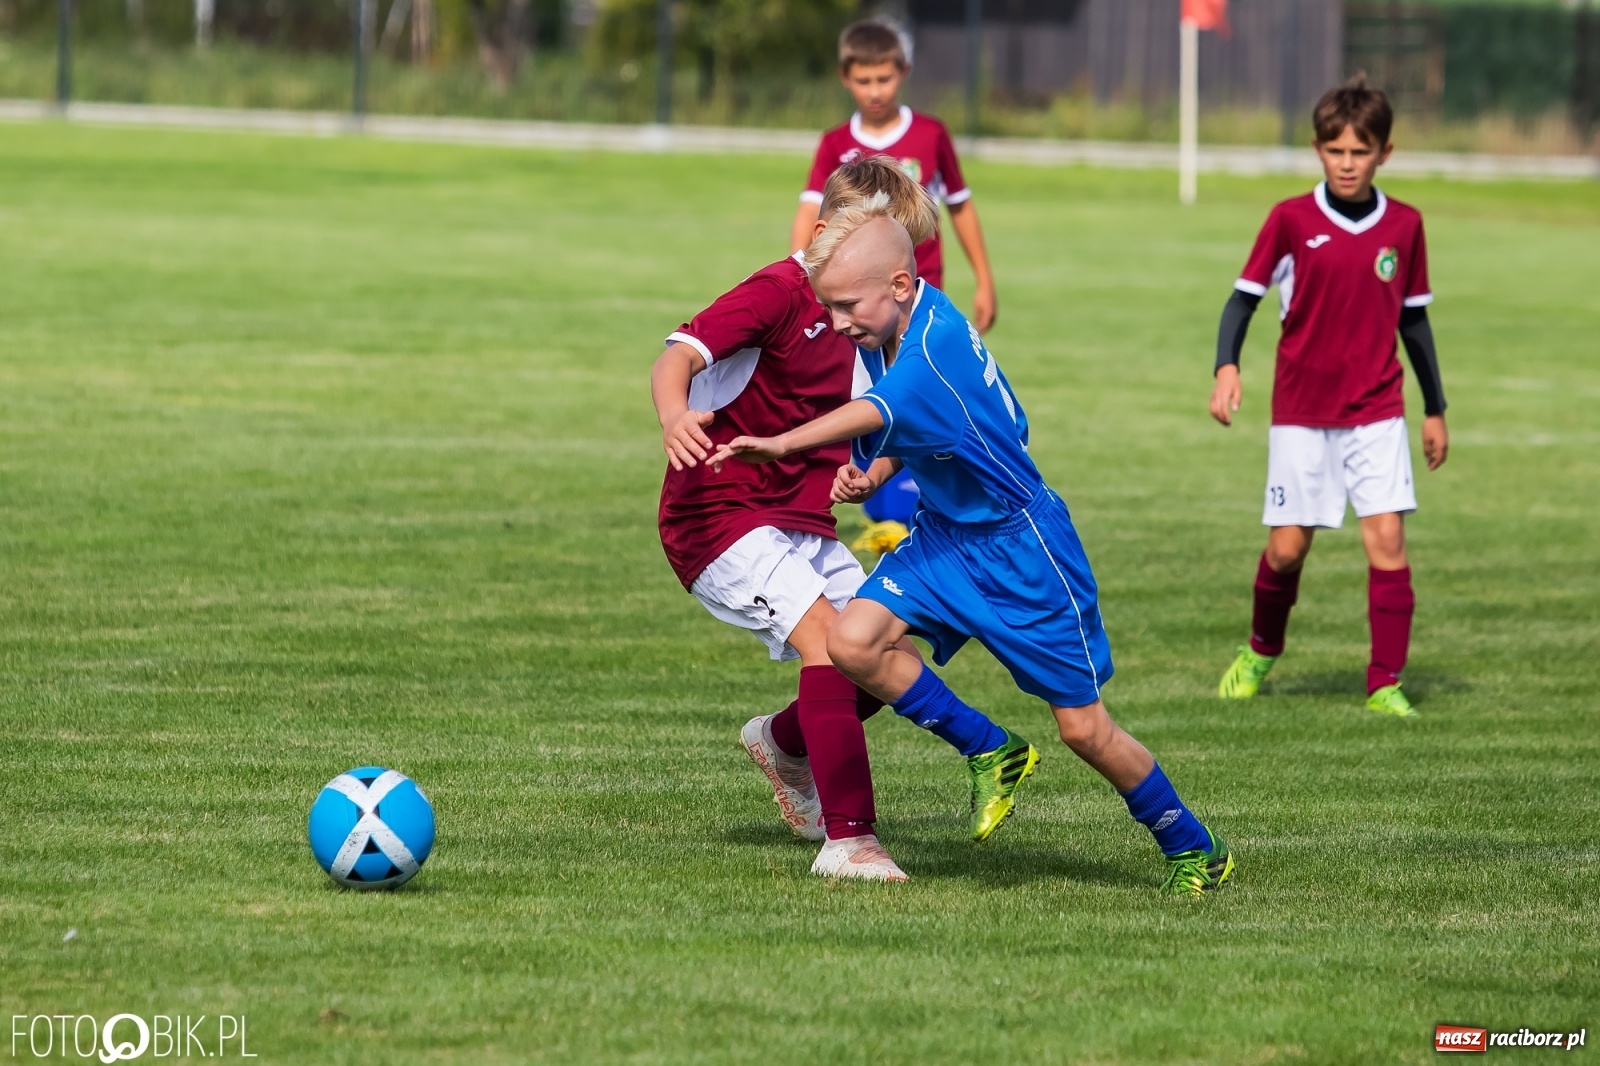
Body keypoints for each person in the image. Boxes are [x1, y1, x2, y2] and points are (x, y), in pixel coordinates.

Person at [711, 198, 1234, 896]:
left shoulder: (928, 348)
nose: (837, 324)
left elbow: (878, 410)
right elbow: (946, 427)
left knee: (1084, 731)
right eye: (829, 307)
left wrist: (781, 442)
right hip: (950, 537)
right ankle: (991, 748)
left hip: (1025, 554)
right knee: (854, 641)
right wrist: (876, 471)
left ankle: (1192, 845)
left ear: (898, 286)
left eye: (846, 307)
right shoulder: (912, 321)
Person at [652, 160, 1038, 883]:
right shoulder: (778, 290)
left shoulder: (884, 312)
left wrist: (875, 471)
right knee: (830, 649)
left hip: (804, 517)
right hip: (719, 513)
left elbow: (897, 419)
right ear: (827, 234)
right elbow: (677, 356)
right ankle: (850, 841)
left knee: (873, 651)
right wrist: (676, 416)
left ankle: (783, 741)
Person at [1209, 77, 1448, 718]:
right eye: (1336, 151)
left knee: (1387, 542)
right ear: (1318, 149)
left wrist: (1436, 409)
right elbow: (1242, 301)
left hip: (1377, 408)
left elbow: (1415, 322)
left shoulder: (1405, 225)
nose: (1347, 163)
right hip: (1302, 413)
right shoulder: (1290, 219)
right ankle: (1261, 649)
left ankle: (1384, 681)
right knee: (1288, 548)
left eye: (1360, 152)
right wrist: (1226, 368)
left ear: (1384, 154)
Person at [792, 18, 999, 334]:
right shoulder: (834, 143)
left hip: (917, 287)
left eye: (884, 79)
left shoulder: (931, 134)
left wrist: (984, 281)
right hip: (857, 290)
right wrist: (800, 278)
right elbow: (811, 211)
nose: (875, 91)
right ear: (844, 77)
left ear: (904, 71)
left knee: (915, 373)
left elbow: (960, 206)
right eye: (864, 81)